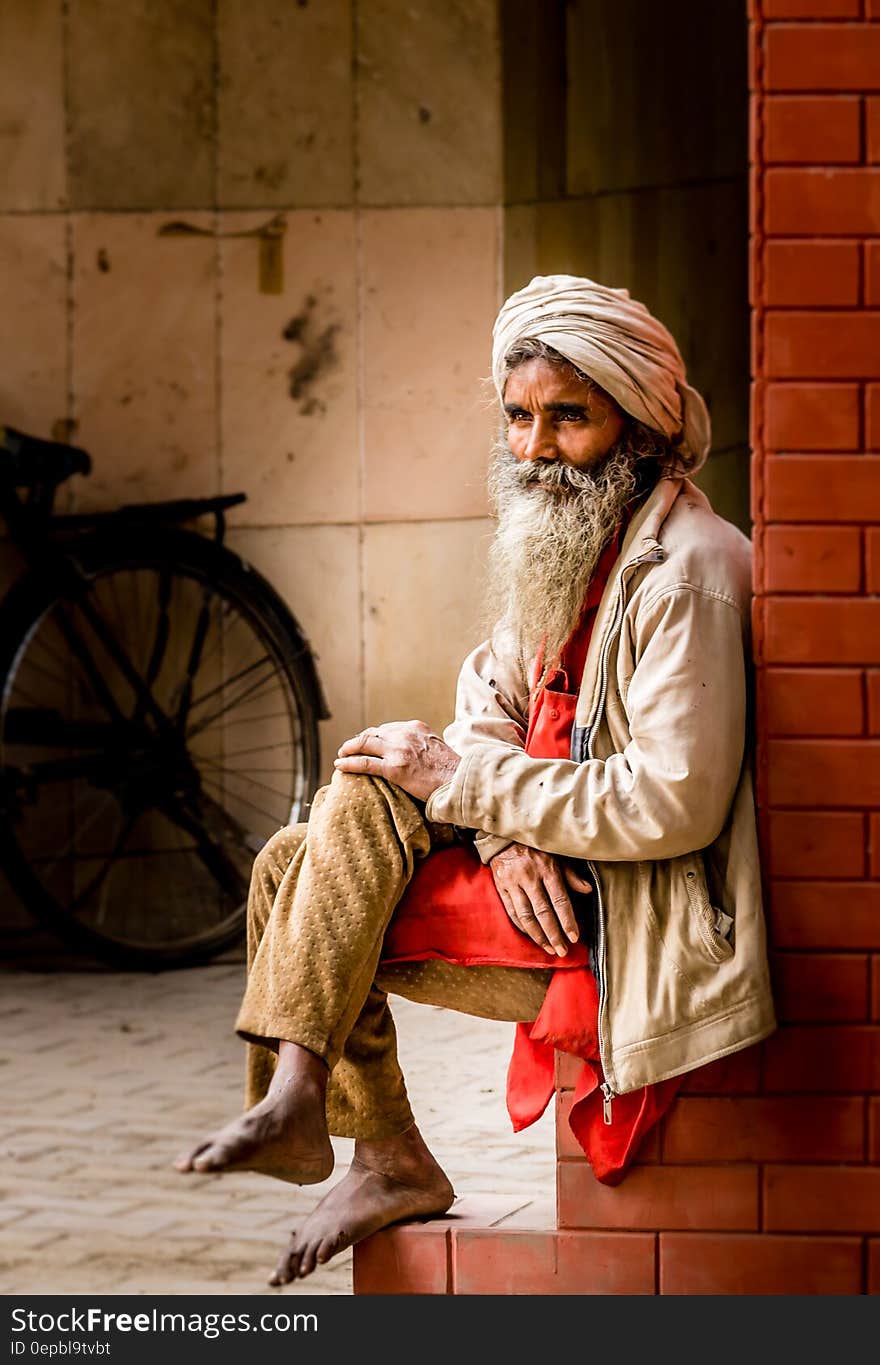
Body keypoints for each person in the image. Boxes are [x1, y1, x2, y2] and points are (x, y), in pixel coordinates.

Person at [174, 273, 776, 1285]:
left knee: (331, 835)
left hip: (630, 919)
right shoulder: (569, 544)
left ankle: (321, 1105)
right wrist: (500, 833)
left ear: (641, 423)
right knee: (314, 844)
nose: (534, 448)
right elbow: (484, 709)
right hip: (546, 882)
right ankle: (357, 1131)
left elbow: (673, 800)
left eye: (567, 419)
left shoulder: (689, 571)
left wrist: (463, 786)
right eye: (516, 417)